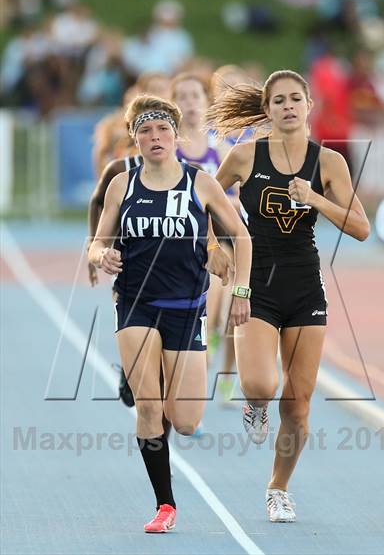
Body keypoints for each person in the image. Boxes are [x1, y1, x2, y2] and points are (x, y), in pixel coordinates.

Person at [207, 69, 370, 522]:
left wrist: (317, 200)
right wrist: (211, 247)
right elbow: (203, 200)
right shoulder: (244, 156)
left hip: (304, 285)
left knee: (298, 405)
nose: (288, 107)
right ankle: (254, 405)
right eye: (278, 101)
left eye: (295, 98)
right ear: (267, 110)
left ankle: (278, 488)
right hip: (255, 280)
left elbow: (361, 228)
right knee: (261, 385)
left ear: (309, 105)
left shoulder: (328, 163)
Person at [88, 94, 252, 532]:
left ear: (177, 136)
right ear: (134, 139)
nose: (154, 137)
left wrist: (239, 289)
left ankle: (157, 390)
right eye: (145, 131)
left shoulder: (200, 183)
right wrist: (100, 254)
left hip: (187, 308)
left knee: (185, 420)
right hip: (136, 304)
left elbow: (243, 237)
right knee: (147, 408)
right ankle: (165, 505)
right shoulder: (123, 185)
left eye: (162, 130)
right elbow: (97, 241)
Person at [172, 72, 237, 406]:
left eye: (195, 96)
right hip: (178, 241)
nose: (190, 104)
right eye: (182, 97)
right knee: (199, 316)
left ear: (206, 102)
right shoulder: (167, 149)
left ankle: (223, 371)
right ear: (174, 104)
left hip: (216, 239)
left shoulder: (220, 147)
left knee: (223, 315)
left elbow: (237, 198)